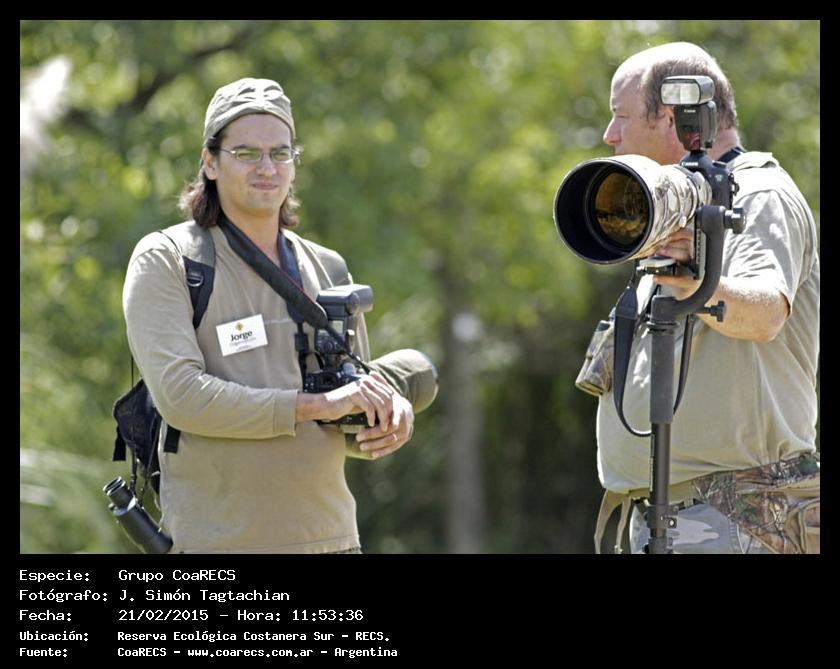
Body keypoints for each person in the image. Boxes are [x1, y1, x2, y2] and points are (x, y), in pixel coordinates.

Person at [122, 78, 436, 553]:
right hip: (222, 546)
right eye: (247, 153)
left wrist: (386, 417)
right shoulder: (170, 260)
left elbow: (341, 420)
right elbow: (182, 397)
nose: (267, 168)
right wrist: (317, 405)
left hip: (334, 542)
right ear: (210, 162)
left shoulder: (327, 268)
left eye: (280, 153)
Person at [592, 43, 820, 554]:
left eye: (621, 116)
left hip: (739, 517)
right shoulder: (675, 212)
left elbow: (765, 314)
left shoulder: (758, 194)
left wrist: (702, 286)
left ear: (673, 117)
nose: (609, 135)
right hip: (670, 517)